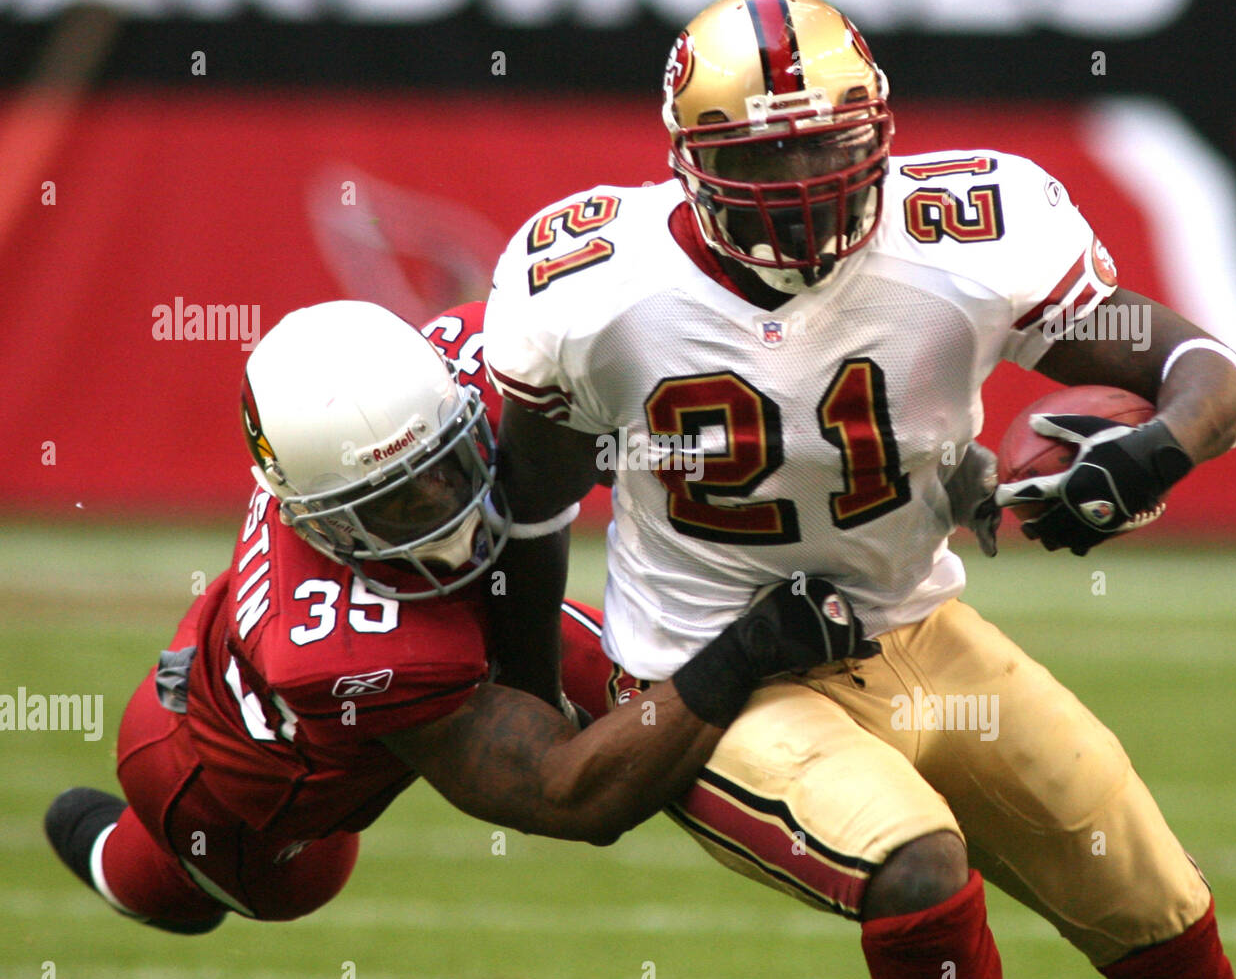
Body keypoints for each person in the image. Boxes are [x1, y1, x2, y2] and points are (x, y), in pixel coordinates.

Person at [482, 0, 1236, 979]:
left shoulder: (966, 234)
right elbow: (535, 507)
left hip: (918, 630)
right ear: (686, 162)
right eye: (760, 156)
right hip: (717, 680)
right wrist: (521, 691)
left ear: (879, 131)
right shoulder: (592, 285)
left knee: (1154, 905)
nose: (799, 181)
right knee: (915, 867)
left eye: (822, 145)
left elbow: (1204, 371)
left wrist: (1145, 451)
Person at [44, 298, 866, 932]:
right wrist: (746, 647)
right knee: (264, 886)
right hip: (228, 783)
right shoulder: (335, 647)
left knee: (656, 683)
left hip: (264, 648)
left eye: (445, 465)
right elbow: (571, 799)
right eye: (395, 504)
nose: (442, 507)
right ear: (324, 521)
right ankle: (118, 860)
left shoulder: (474, 358)